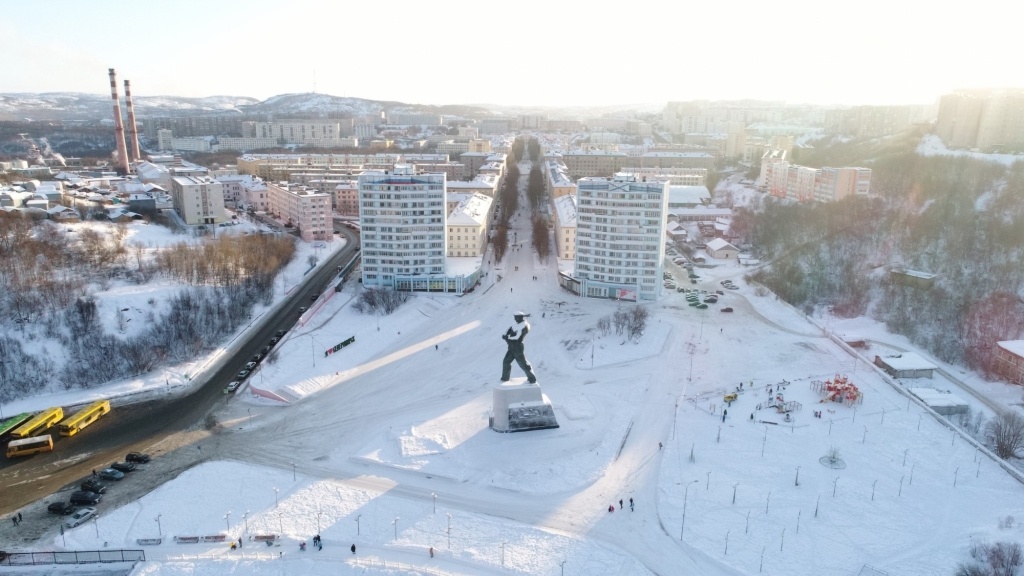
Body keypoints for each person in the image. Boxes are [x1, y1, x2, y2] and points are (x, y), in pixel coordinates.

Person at [500, 312, 537, 384]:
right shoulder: (515, 325)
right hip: (511, 346)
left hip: (517, 348)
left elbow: (518, 339)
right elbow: (506, 333)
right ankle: (505, 378)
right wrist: (506, 336)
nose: (514, 318)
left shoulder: (524, 325)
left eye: (516, 317)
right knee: (506, 362)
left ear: (520, 317)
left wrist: (507, 338)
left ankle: (532, 378)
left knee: (522, 364)